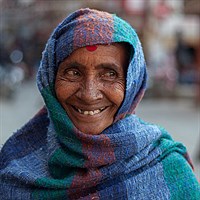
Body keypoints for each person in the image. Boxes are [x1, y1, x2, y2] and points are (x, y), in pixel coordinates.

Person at [0, 8, 199, 200]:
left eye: (110, 74)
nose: (89, 94)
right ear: (50, 79)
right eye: (73, 72)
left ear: (132, 83)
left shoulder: (168, 169)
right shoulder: (14, 170)